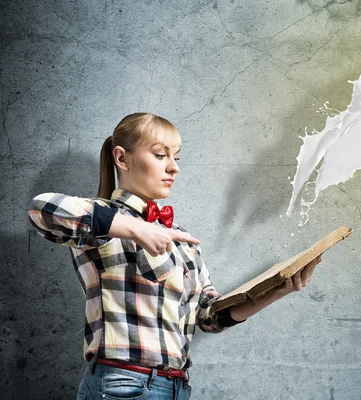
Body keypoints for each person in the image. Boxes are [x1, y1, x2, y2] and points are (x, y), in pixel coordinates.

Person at [27, 112, 321, 400]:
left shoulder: (180, 237)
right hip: (122, 384)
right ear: (122, 158)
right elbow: (42, 210)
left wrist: (277, 290)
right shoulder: (103, 221)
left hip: (176, 388)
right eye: (160, 155)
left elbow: (209, 317)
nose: (173, 168)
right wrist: (136, 229)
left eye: (176, 157)